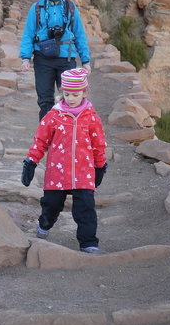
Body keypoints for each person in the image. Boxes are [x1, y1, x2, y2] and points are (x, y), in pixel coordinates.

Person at [20, 68, 108, 253]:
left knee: (85, 209)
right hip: (57, 172)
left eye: (75, 94)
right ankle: (45, 223)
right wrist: (31, 161)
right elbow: (41, 141)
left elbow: (99, 144)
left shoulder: (91, 117)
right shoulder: (54, 115)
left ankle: (88, 242)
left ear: (84, 92)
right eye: (66, 94)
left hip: (83, 173)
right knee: (51, 204)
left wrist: (100, 165)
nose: (70, 98)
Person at [19, 0, 91, 121]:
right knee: (45, 100)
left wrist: (85, 60)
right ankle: (46, 139)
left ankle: (66, 136)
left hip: (66, 58)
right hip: (42, 58)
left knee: (70, 99)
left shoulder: (70, 7)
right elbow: (28, 34)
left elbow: (79, 34)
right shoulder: (37, 8)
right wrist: (25, 58)